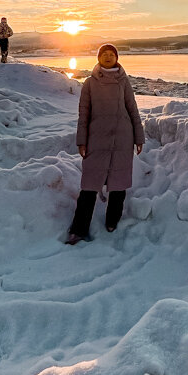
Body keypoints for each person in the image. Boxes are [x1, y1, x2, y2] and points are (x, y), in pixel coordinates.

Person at [66, 43, 144, 245]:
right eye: (104, 54)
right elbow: (83, 115)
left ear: (116, 58)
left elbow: (132, 109)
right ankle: (78, 229)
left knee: (118, 184)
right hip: (97, 138)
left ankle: (113, 220)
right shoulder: (90, 83)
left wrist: (139, 137)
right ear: (98, 58)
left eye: (112, 54)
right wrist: (81, 141)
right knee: (89, 186)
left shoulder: (123, 81)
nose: (108, 57)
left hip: (122, 137)